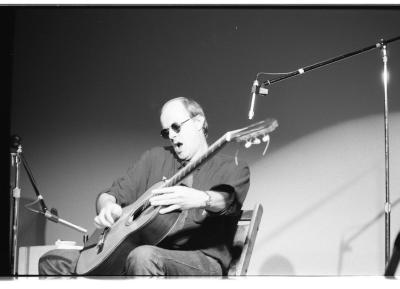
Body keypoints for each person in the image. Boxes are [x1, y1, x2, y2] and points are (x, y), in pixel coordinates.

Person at [39, 97, 250, 276]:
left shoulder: (233, 167)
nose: (172, 135)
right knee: (53, 260)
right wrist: (107, 207)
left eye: (176, 127)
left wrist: (201, 198)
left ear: (198, 122)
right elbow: (111, 195)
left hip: (201, 260)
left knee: (143, 257)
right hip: (137, 252)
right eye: (166, 131)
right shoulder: (155, 158)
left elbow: (229, 200)